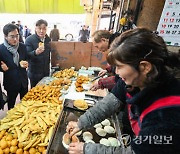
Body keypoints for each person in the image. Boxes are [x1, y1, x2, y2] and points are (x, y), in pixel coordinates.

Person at [66, 28, 180, 154]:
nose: (116, 73)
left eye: (119, 67)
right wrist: (81, 123)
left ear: (145, 67)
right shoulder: (134, 81)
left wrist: (87, 149)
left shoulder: (167, 114)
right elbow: (110, 102)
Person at [0, 24, 28, 110]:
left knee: (25, 105)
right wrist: (1, 68)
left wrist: (27, 63)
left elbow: (27, 59)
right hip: (11, 83)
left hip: (23, 81)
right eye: (12, 36)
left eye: (17, 36)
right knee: (11, 106)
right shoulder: (1, 49)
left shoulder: (22, 46)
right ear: (5, 36)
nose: (15, 39)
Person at [25, 19, 51, 88]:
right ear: (35, 28)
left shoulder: (48, 40)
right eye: (39, 28)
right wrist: (35, 52)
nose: (42, 31)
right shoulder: (29, 39)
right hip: (34, 73)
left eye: (44, 29)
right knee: (35, 92)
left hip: (46, 72)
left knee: (45, 91)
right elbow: (27, 55)